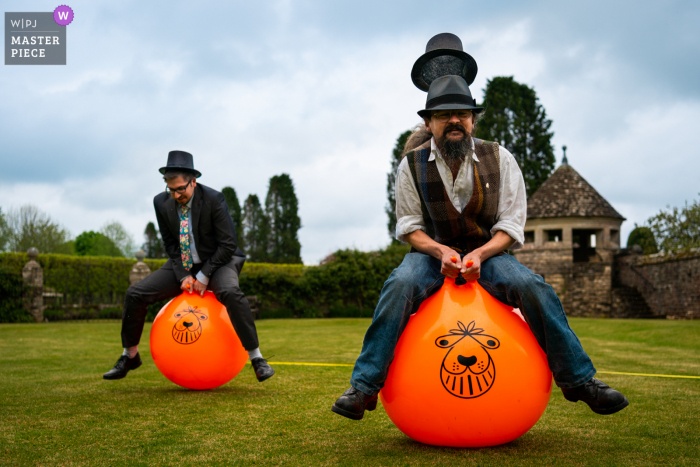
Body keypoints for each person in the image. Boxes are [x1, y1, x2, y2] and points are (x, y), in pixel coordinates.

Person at [331, 33, 628, 420]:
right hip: (429, 254)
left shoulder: (500, 158)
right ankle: (364, 388)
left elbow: (510, 224)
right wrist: (440, 251)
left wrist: (480, 254)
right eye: (443, 114)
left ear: (472, 118)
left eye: (462, 113)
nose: (454, 120)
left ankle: (579, 381)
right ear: (430, 121)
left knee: (532, 286)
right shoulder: (410, 165)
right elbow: (408, 227)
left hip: (489, 252)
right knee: (399, 285)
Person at [103, 150, 275, 382]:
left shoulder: (214, 199)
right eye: (171, 189)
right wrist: (184, 274)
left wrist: (204, 275)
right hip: (184, 263)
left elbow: (228, 244)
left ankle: (257, 358)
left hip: (219, 260)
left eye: (181, 188)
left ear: (194, 181)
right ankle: (130, 355)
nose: (176, 194)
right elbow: (171, 244)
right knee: (135, 293)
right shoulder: (160, 202)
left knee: (230, 292)